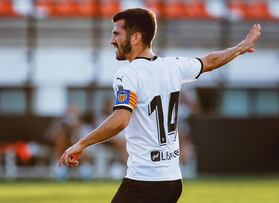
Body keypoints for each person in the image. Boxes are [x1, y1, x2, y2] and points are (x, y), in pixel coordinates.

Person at [58, 8, 261, 203]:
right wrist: (239, 47)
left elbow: (120, 121)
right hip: (172, 180)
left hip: (146, 180)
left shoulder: (128, 74)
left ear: (136, 37)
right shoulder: (172, 66)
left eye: (116, 34)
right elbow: (209, 61)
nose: (112, 40)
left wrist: (81, 143)